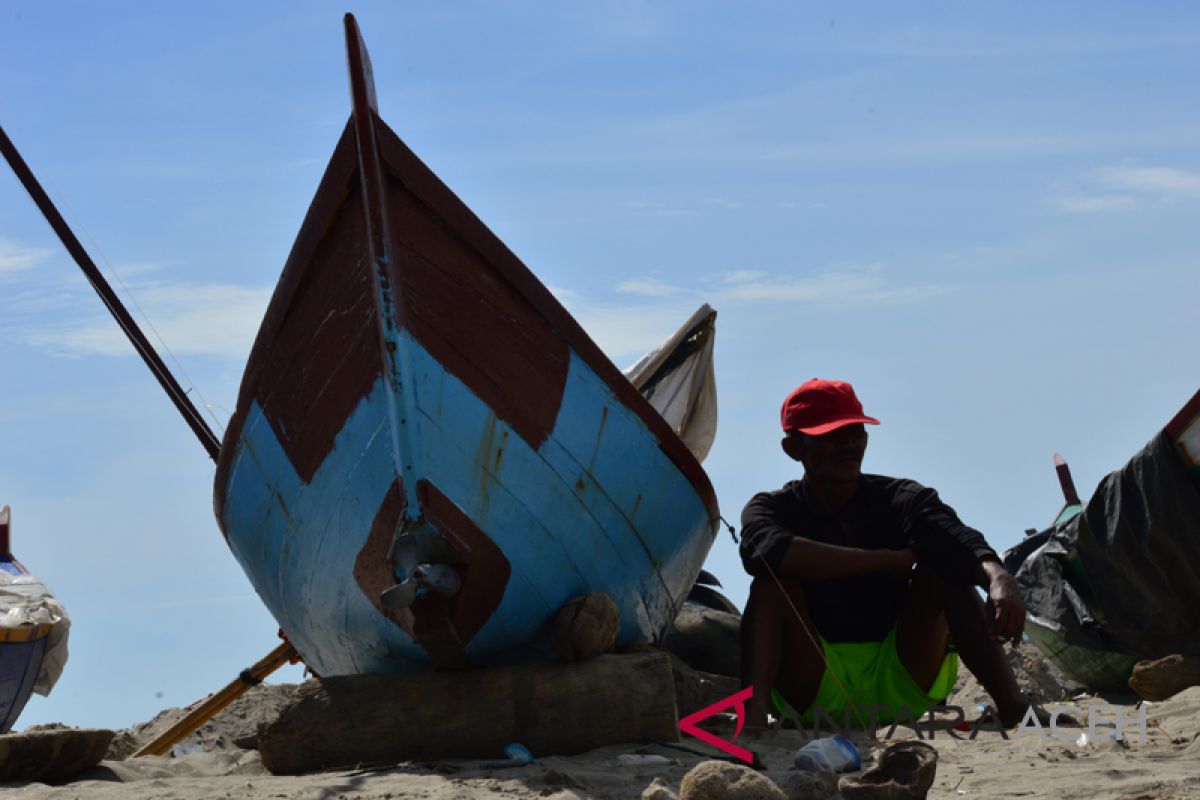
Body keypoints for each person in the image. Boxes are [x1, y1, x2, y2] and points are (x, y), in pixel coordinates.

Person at [739, 378, 1030, 731]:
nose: (848, 443)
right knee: (770, 584)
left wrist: (998, 578)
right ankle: (751, 717)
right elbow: (768, 552)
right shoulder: (769, 508)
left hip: (901, 679)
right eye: (831, 434)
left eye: (856, 432)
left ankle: (1013, 707)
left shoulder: (902, 498)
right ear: (792, 448)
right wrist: (884, 560)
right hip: (814, 690)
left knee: (942, 570)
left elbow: (953, 537)